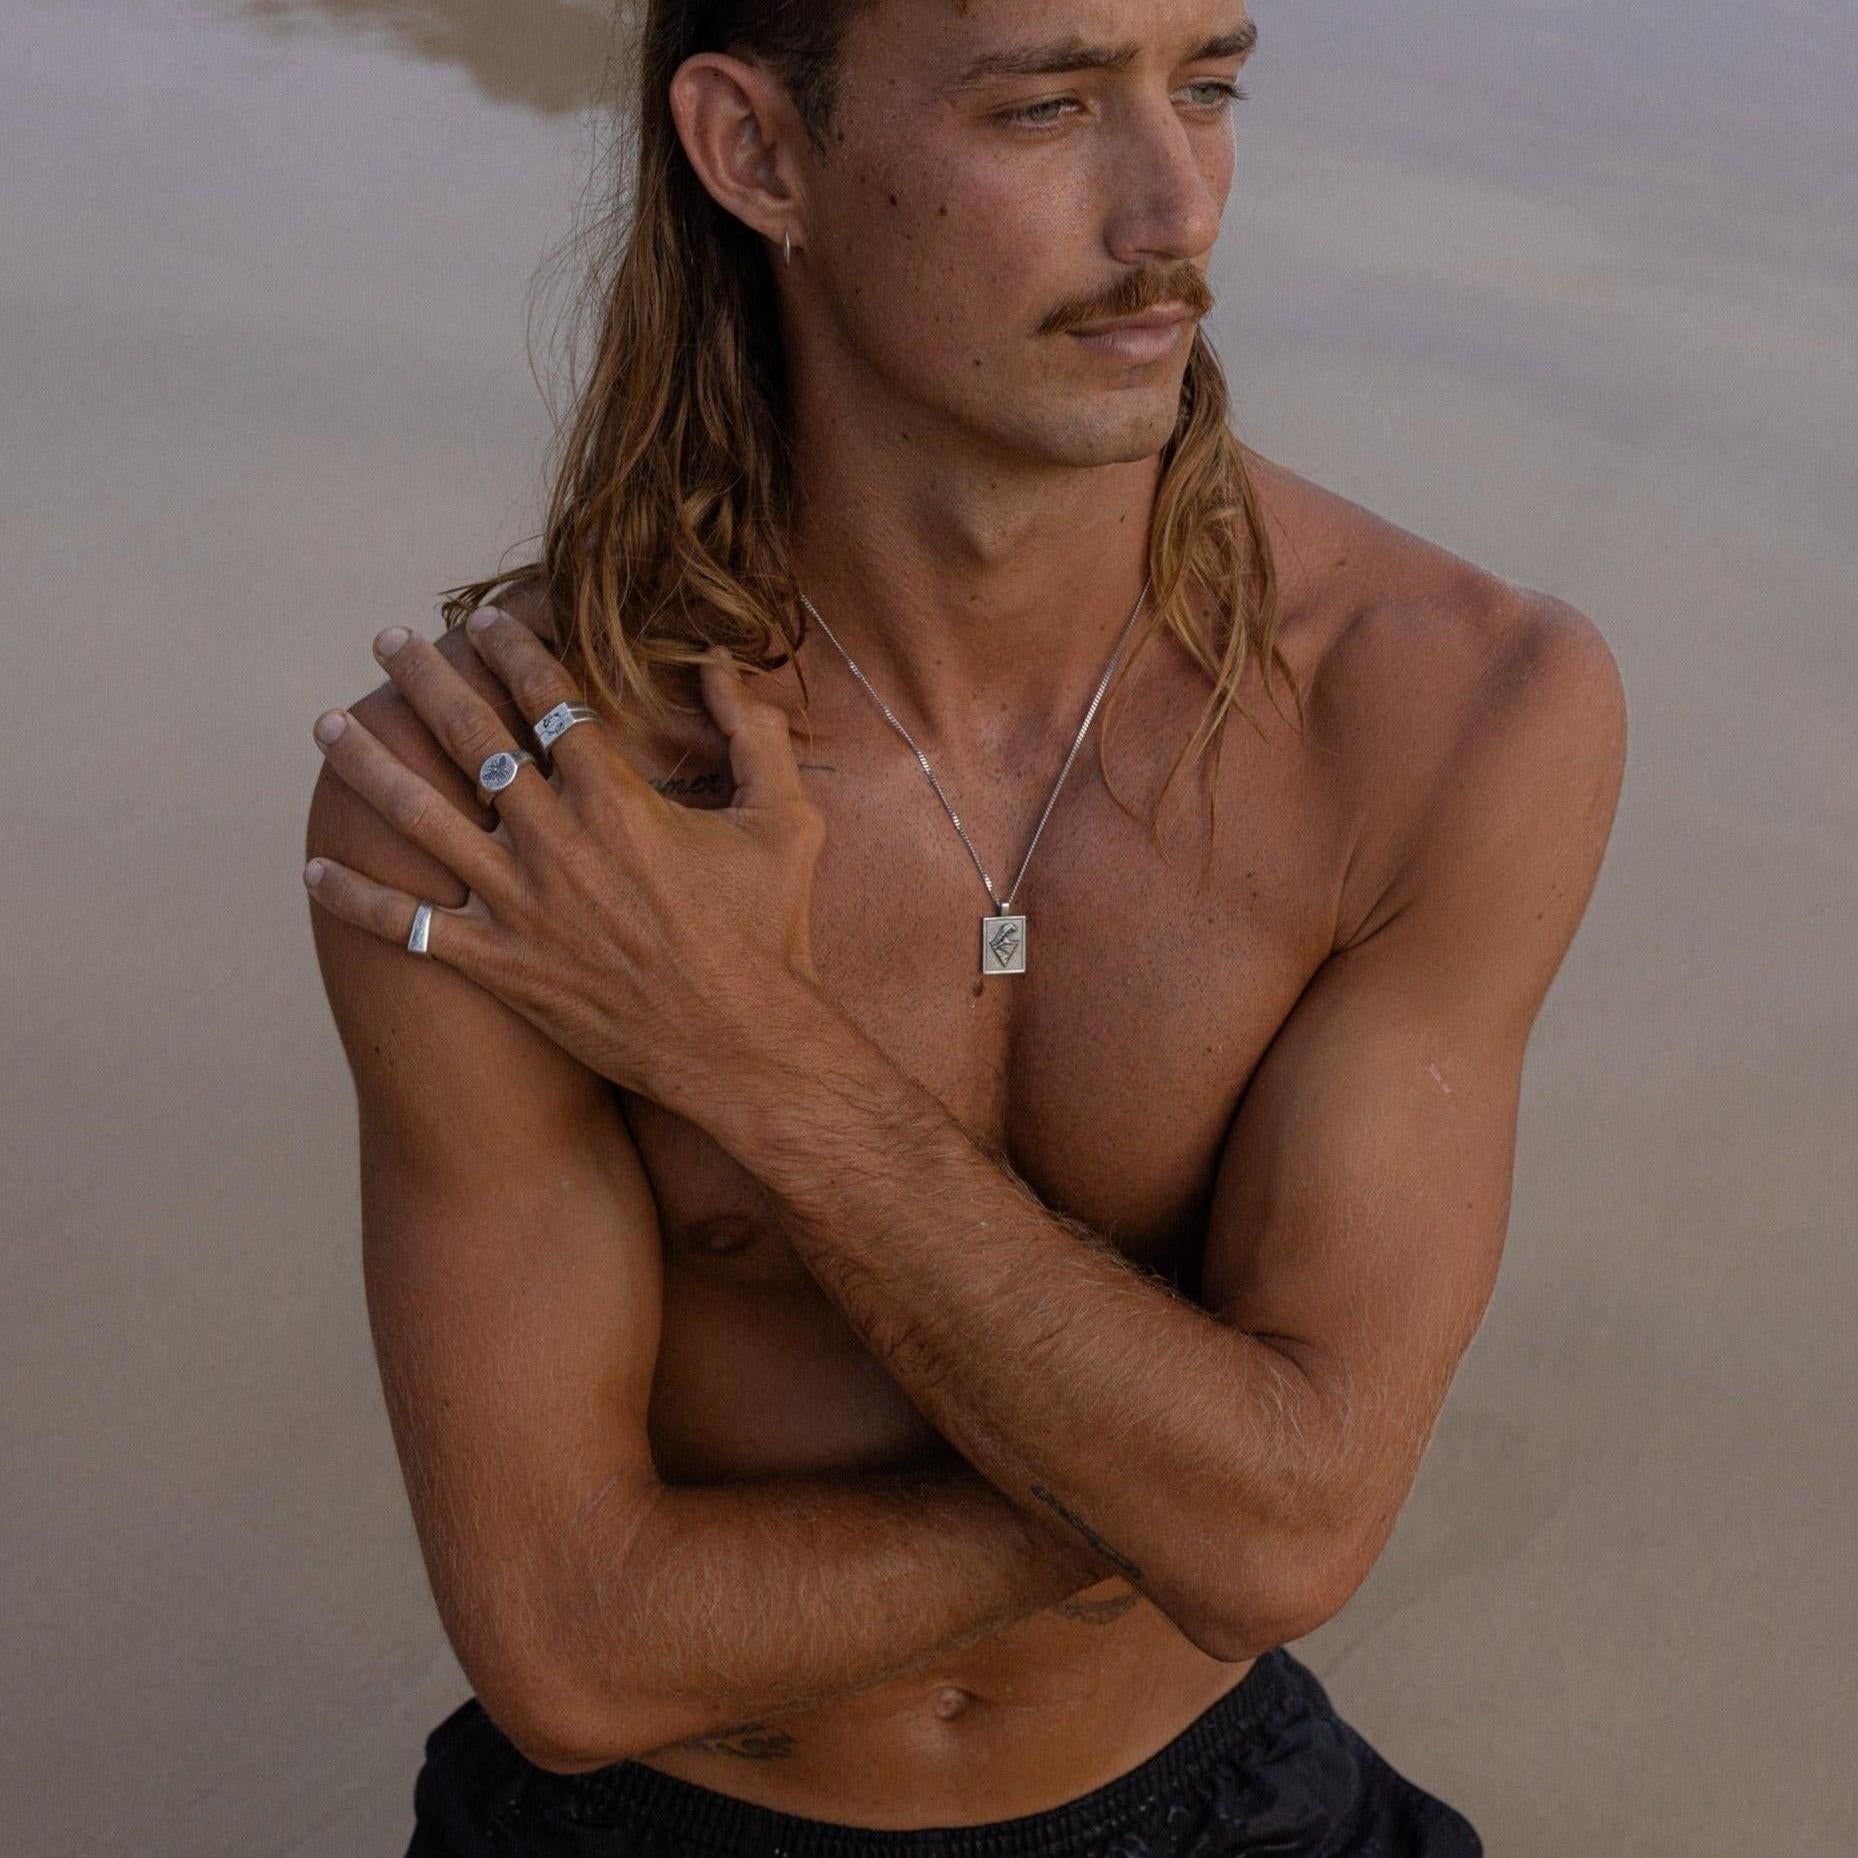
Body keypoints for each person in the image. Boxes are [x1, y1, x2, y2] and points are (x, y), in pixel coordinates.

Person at [303, 3, 1627, 1852]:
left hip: (1214, 1795)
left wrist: (747, 1055)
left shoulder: (1448, 710)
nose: (1175, 208)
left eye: (1211, 87)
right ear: (758, 154)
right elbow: (572, 1647)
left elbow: (1291, 1537)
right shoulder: (526, 800)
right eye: (1047, 105)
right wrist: (1204, 1477)